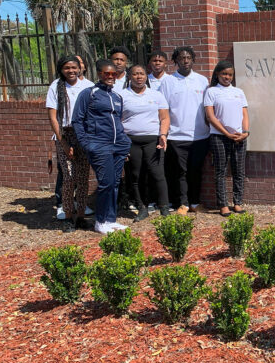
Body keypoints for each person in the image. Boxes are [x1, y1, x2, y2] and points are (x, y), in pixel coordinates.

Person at [71, 59, 132, 234]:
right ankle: (100, 221)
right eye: (107, 73)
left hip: (118, 146)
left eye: (114, 74)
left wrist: (124, 143)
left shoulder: (117, 96)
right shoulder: (89, 94)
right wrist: (86, 143)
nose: (111, 77)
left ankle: (110, 219)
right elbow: (77, 120)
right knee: (106, 183)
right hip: (99, 145)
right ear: (99, 74)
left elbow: (117, 122)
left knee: (114, 183)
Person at [45, 56, 94, 232]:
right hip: (64, 134)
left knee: (83, 177)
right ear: (61, 69)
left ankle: (80, 215)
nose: (71, 71)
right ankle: (67, 215)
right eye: (67, 68)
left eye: (74, 67)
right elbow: (53, 116)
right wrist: (63, 142)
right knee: (69, 177)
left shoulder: (88, 86)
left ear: (80, 68)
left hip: (83, 134)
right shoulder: (55, 87)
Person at [117, 64, 171, 221]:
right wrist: (121, 142)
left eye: (141, 74)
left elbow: (165, 117)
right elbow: (117, 120)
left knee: (158, 174)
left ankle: (164, 208)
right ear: (129, 76)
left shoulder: (156, 95)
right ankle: (142, 208)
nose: (139, 77)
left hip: (153, 141)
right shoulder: (121, 96)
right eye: (135, 74)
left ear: (146, 76)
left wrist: (163, 134)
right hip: (130, 141)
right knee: (135, 175)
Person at [160, 46, 210, 215]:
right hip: (177, 135)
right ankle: (183, 203)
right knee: (181, 172)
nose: (186, 61)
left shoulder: (202, 81)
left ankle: (195, 202)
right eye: (182, 58)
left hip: (200, 135)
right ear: (175, 61)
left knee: (196, 171)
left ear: (193, 59)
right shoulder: (167, 82)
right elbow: (163, 109)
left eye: (189, 57)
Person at [204, 61, 250, 217]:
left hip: (239, 137)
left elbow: (244, 114)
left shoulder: (239, 92)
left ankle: (237, 202)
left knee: (239, 171)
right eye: (224, 74)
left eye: (230, 74)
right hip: (219, 137)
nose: (227, 77)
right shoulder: (211, 92)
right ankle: (223, 204)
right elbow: (210, 116)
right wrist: (226, 133)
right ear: (217, 74)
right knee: (221, 171)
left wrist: (245, 132)